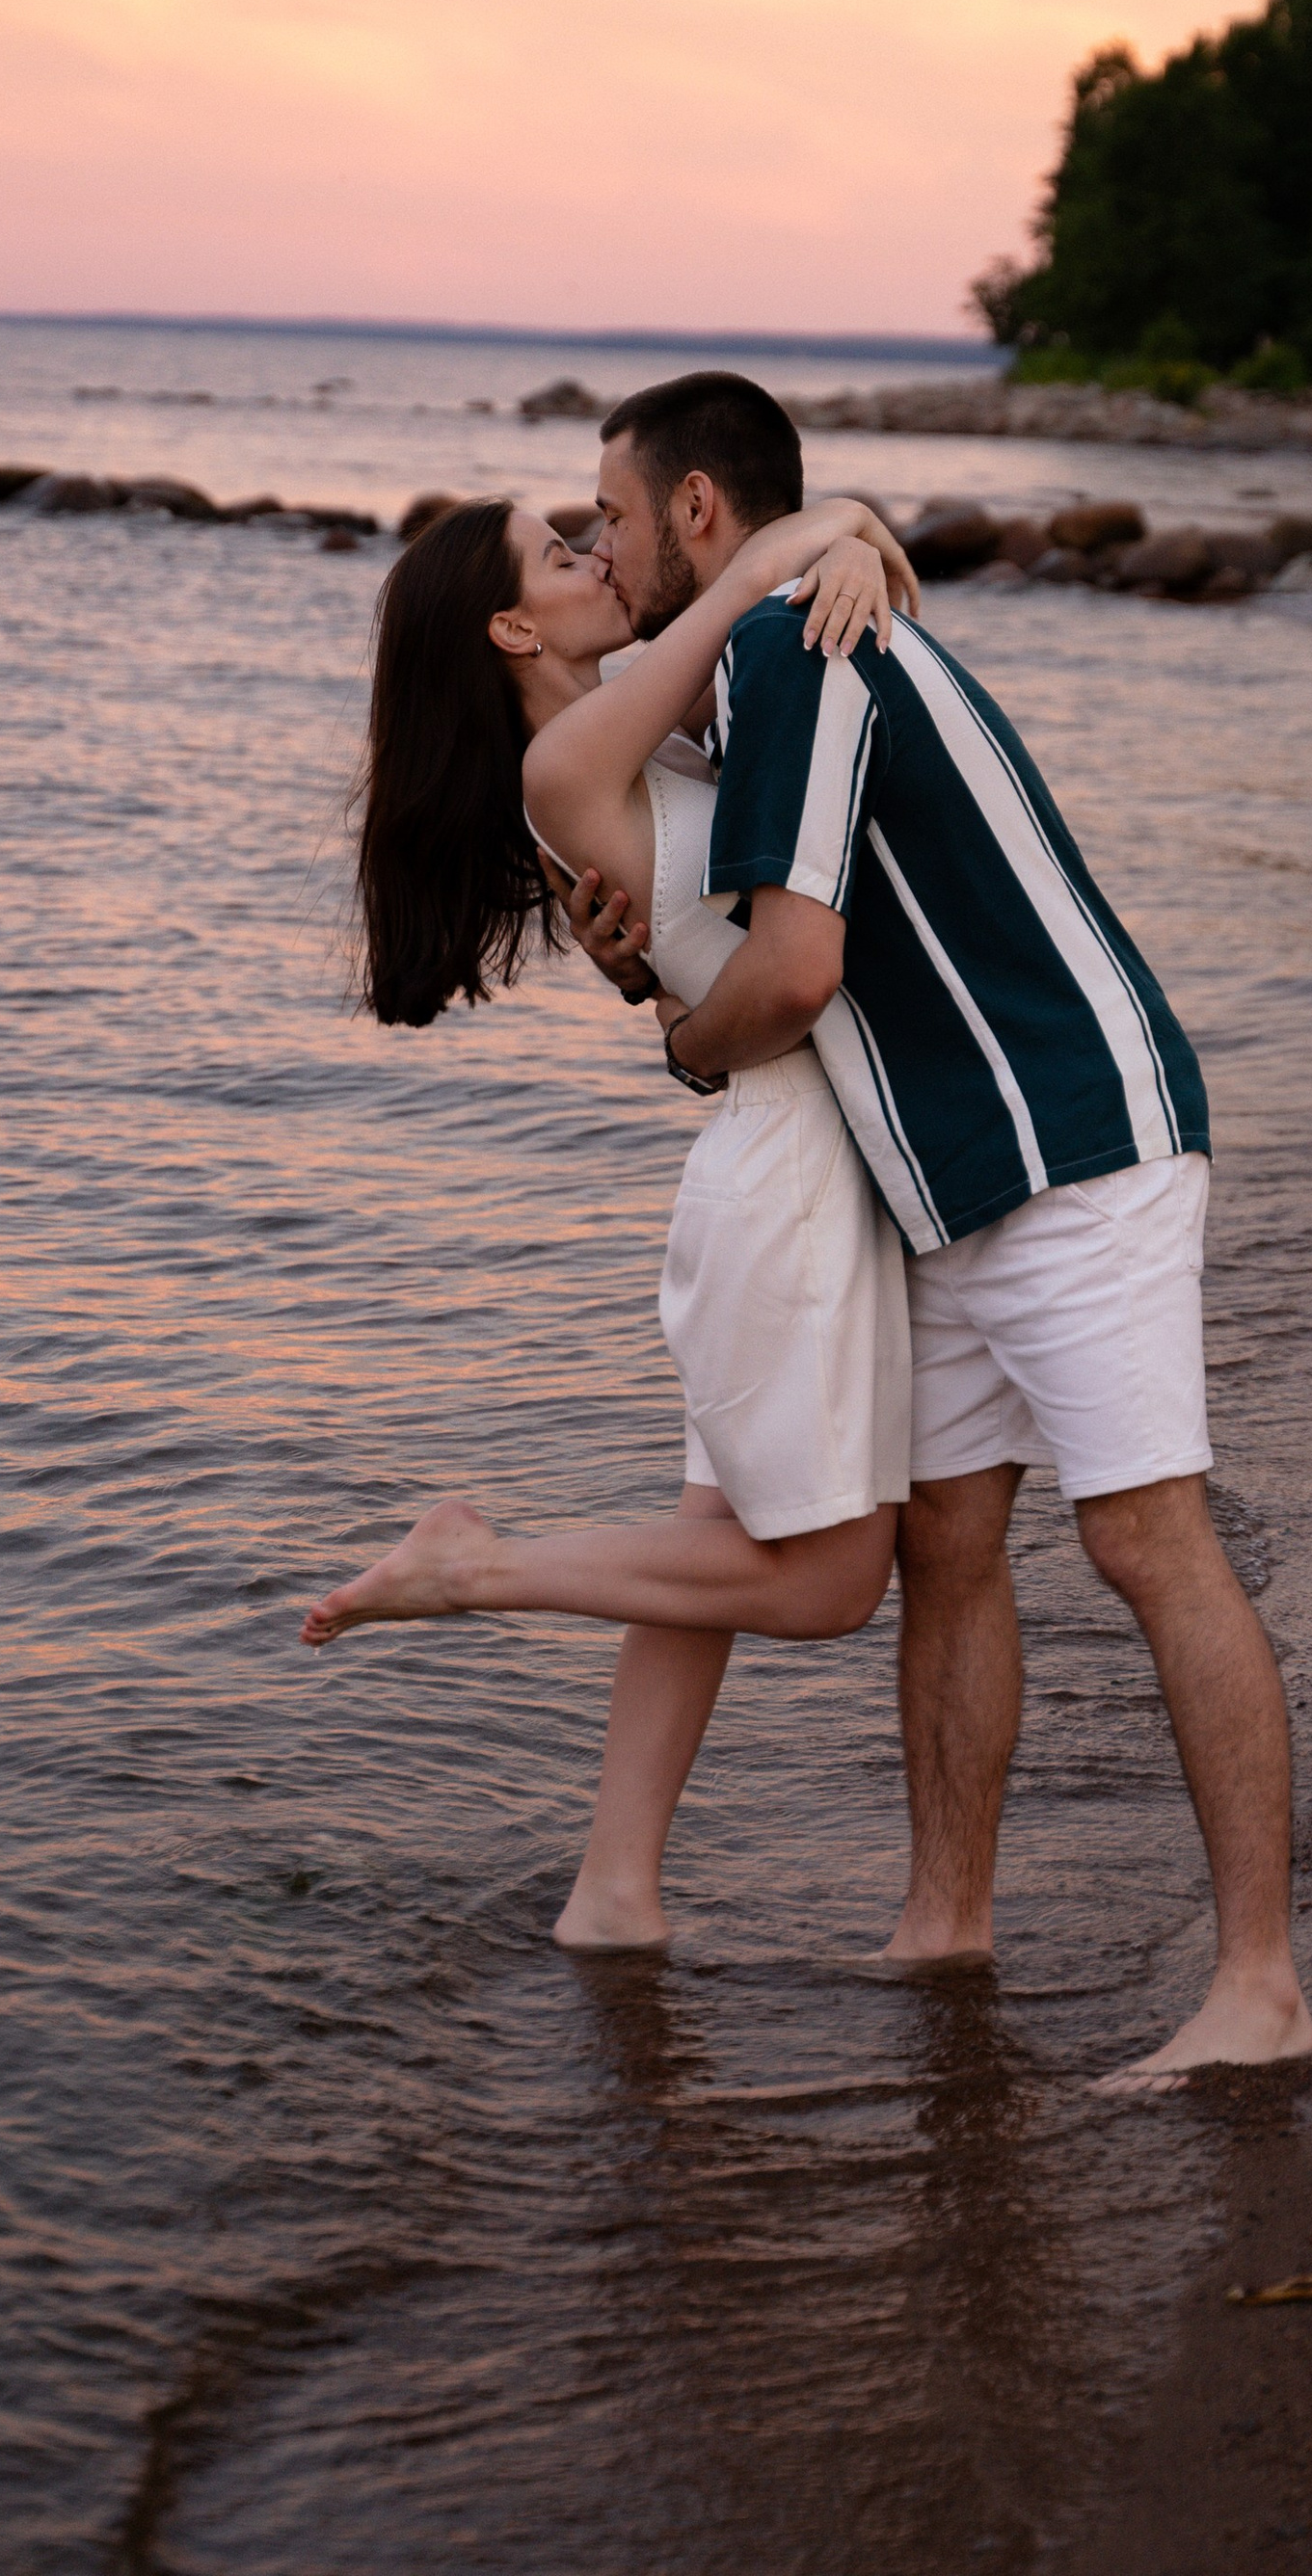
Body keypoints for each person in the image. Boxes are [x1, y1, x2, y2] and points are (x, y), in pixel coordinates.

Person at [570, 371, 1312, 2086]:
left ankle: (1263, 1988)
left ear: (696, 510)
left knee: (1148, 1541)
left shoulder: (791, 649)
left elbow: (796, 966)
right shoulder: (767, 638)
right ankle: (943, 1925)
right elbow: (632, 792)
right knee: (948, 1548)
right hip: (949, 1176)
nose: (600, 549)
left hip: (1074, 1136)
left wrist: (687, 1043)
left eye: (612, 515)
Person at [303, 480, 918, 1952]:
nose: (598, 557)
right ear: (515, 623)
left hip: (783, 1166)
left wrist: (841, 541)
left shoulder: (632, 741)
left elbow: (687, 934)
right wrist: (813, 533)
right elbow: (744, 586)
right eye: (562, 553)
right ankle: (475, 1569)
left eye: (599, 531)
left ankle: (613, 1893)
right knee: (827, 1585)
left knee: (707, 1543)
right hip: (788, 1177)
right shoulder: (574, 753)